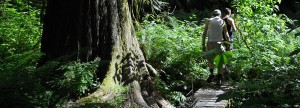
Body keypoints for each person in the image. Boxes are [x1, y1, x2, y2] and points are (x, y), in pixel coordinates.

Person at [202, 9, 230, 86]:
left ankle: (211, 73)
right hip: (219, 43)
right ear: (220, 15)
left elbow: (204, 34)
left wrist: (203, 45)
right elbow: (226, 34)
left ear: (213, 14)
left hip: (210, 43)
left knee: (210, 60)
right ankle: (219, 79)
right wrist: (228, 44)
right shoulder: (222, 21)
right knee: (220, 62)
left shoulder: (208, 21)